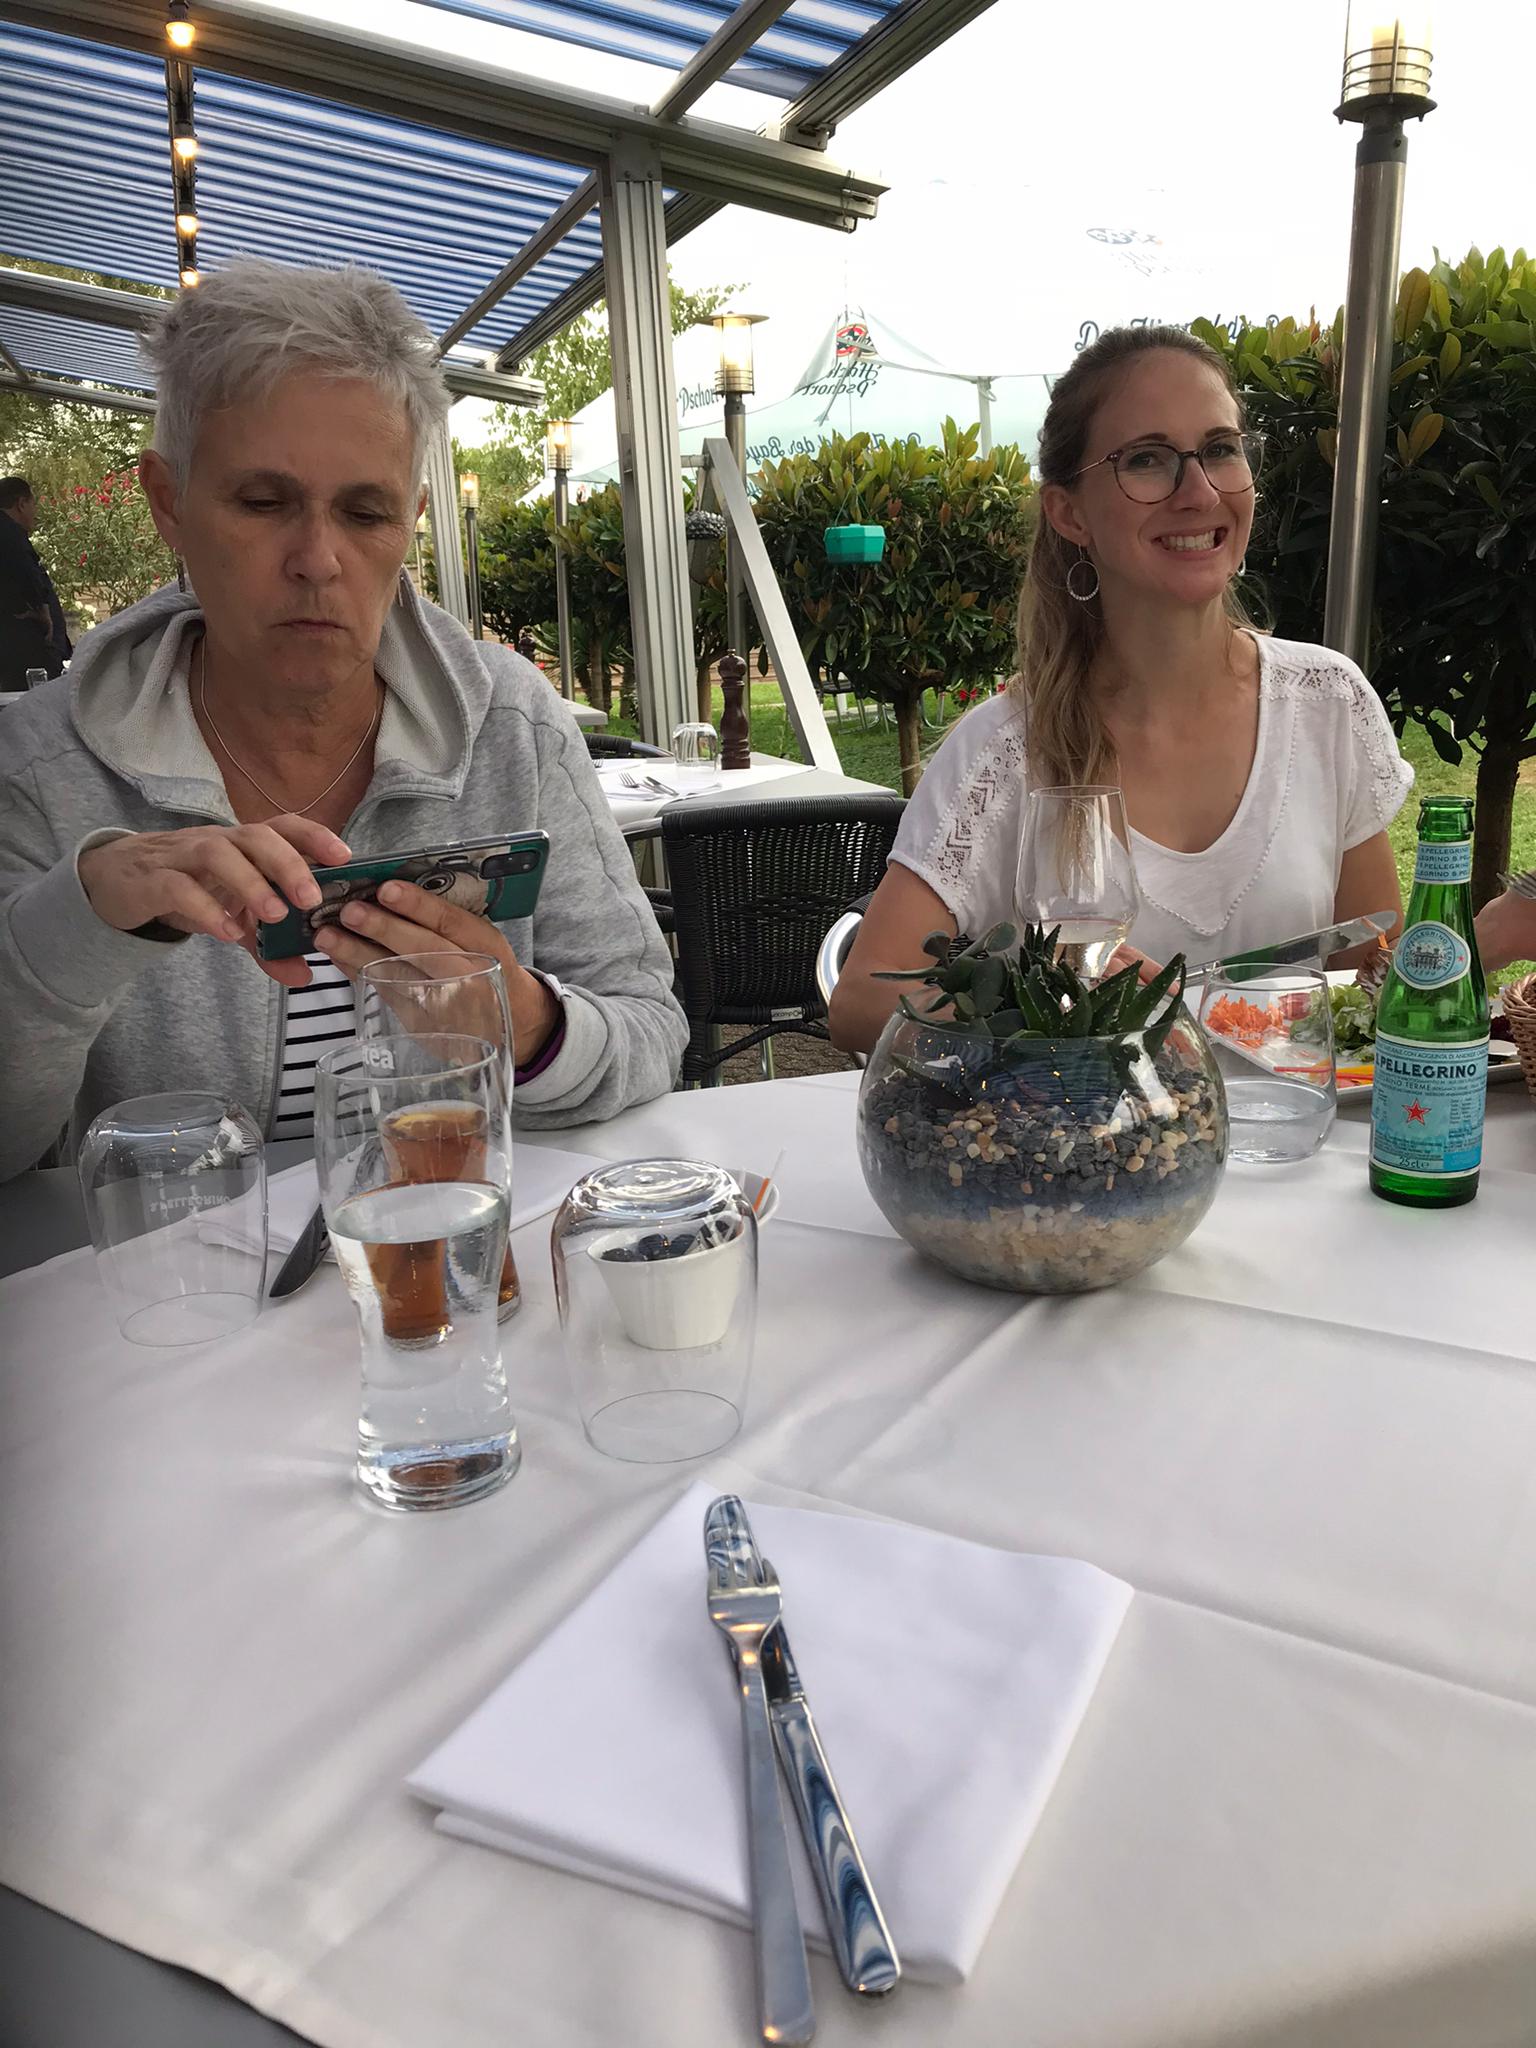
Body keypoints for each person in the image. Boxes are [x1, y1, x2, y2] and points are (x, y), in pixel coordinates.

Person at [0, 259, 686, 1178]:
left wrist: (525, 1024)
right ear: (168, 502)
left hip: (467, 1241)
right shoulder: (39, 768)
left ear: (412, 520)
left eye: (366, 513)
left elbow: (650, 1030)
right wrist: (81, 924)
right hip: (175, 1266)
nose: (318, 559)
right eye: (263, 502)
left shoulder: (509, 723)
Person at [830, 324, 1415, 1053]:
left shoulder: (1330, 702)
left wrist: (1479, 943)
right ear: (1069, 513)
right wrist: (1041, 995)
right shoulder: (1005, 751)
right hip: (1088, 1127)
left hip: (1299, 1124)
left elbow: (1371, 974)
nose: (1199, 492)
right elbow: (861, 1002)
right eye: (1146, 460)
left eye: (1220, 449)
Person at [0, 476, 71, 688]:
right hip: (28, 647)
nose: (35, 512)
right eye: (33, 504)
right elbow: (25, 573)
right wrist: (41, 609)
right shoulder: (10, 535)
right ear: (21, 503)